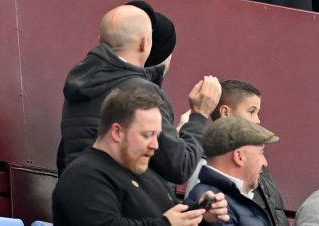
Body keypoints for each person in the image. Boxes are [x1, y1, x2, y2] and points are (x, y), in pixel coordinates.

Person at [59, 2, 219, 186]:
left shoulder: (79, 83)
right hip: (125, 204)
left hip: (84, 199)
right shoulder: (142, 92)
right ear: (145, 43)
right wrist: (198, 116)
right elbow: (180, 166)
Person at [54, 87, 226, 226]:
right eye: (147, 135)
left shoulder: (146, 173)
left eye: (156, 136)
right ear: (117, 132)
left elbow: (168, 214)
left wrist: (200, 214)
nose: (155, 145)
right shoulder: (84, 176)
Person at [187, 81, 287, 226]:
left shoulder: (260, 170)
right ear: (226, 113)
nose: (258, 120)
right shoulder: (205, 163)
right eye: (251, 111)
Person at [185, 116, 279, 225]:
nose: (265, 163)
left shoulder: (227, 200)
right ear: (239, 157)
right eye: (261, 153)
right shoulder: (216, 207)